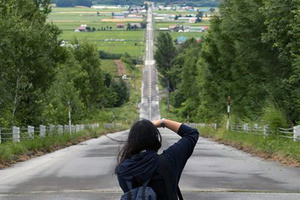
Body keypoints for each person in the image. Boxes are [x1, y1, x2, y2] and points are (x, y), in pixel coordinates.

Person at [115, 119, 199, 199]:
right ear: (155, 138)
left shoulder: (123, 170)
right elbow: (192, 133)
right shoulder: (168, 160)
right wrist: (163, 122)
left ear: (131, 140)